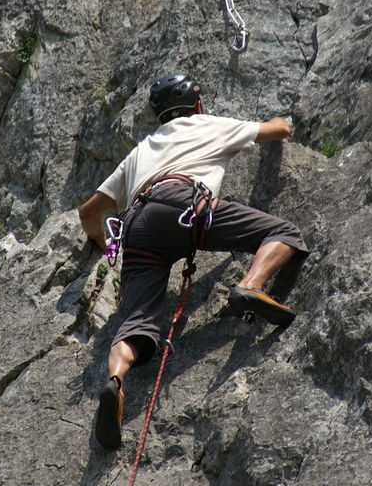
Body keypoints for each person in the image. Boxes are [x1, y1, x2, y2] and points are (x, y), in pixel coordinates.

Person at [78, 73, 309, 449]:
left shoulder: (141, 150)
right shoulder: (209, 124)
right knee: (282, 234)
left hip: (137, 225)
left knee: (136, 323)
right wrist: (287, 121)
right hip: (185, 205)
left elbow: (89, 213)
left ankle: (116, 380)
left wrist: (109, 249)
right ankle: (250, 286)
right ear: (197, 106)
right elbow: (277, 130)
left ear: (161, 116)